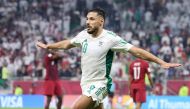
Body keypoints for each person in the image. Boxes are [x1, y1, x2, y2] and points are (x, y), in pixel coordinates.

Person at [36, 8, 181, 109]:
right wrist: (50, 46)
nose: (87, 22)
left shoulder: (110, 38)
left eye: (92, 19)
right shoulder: (83, 35)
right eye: (87, 19)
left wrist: (161, 62)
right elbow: (67, 43)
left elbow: (136, 51)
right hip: (85, 82)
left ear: (101, 21)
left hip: (101, 84)